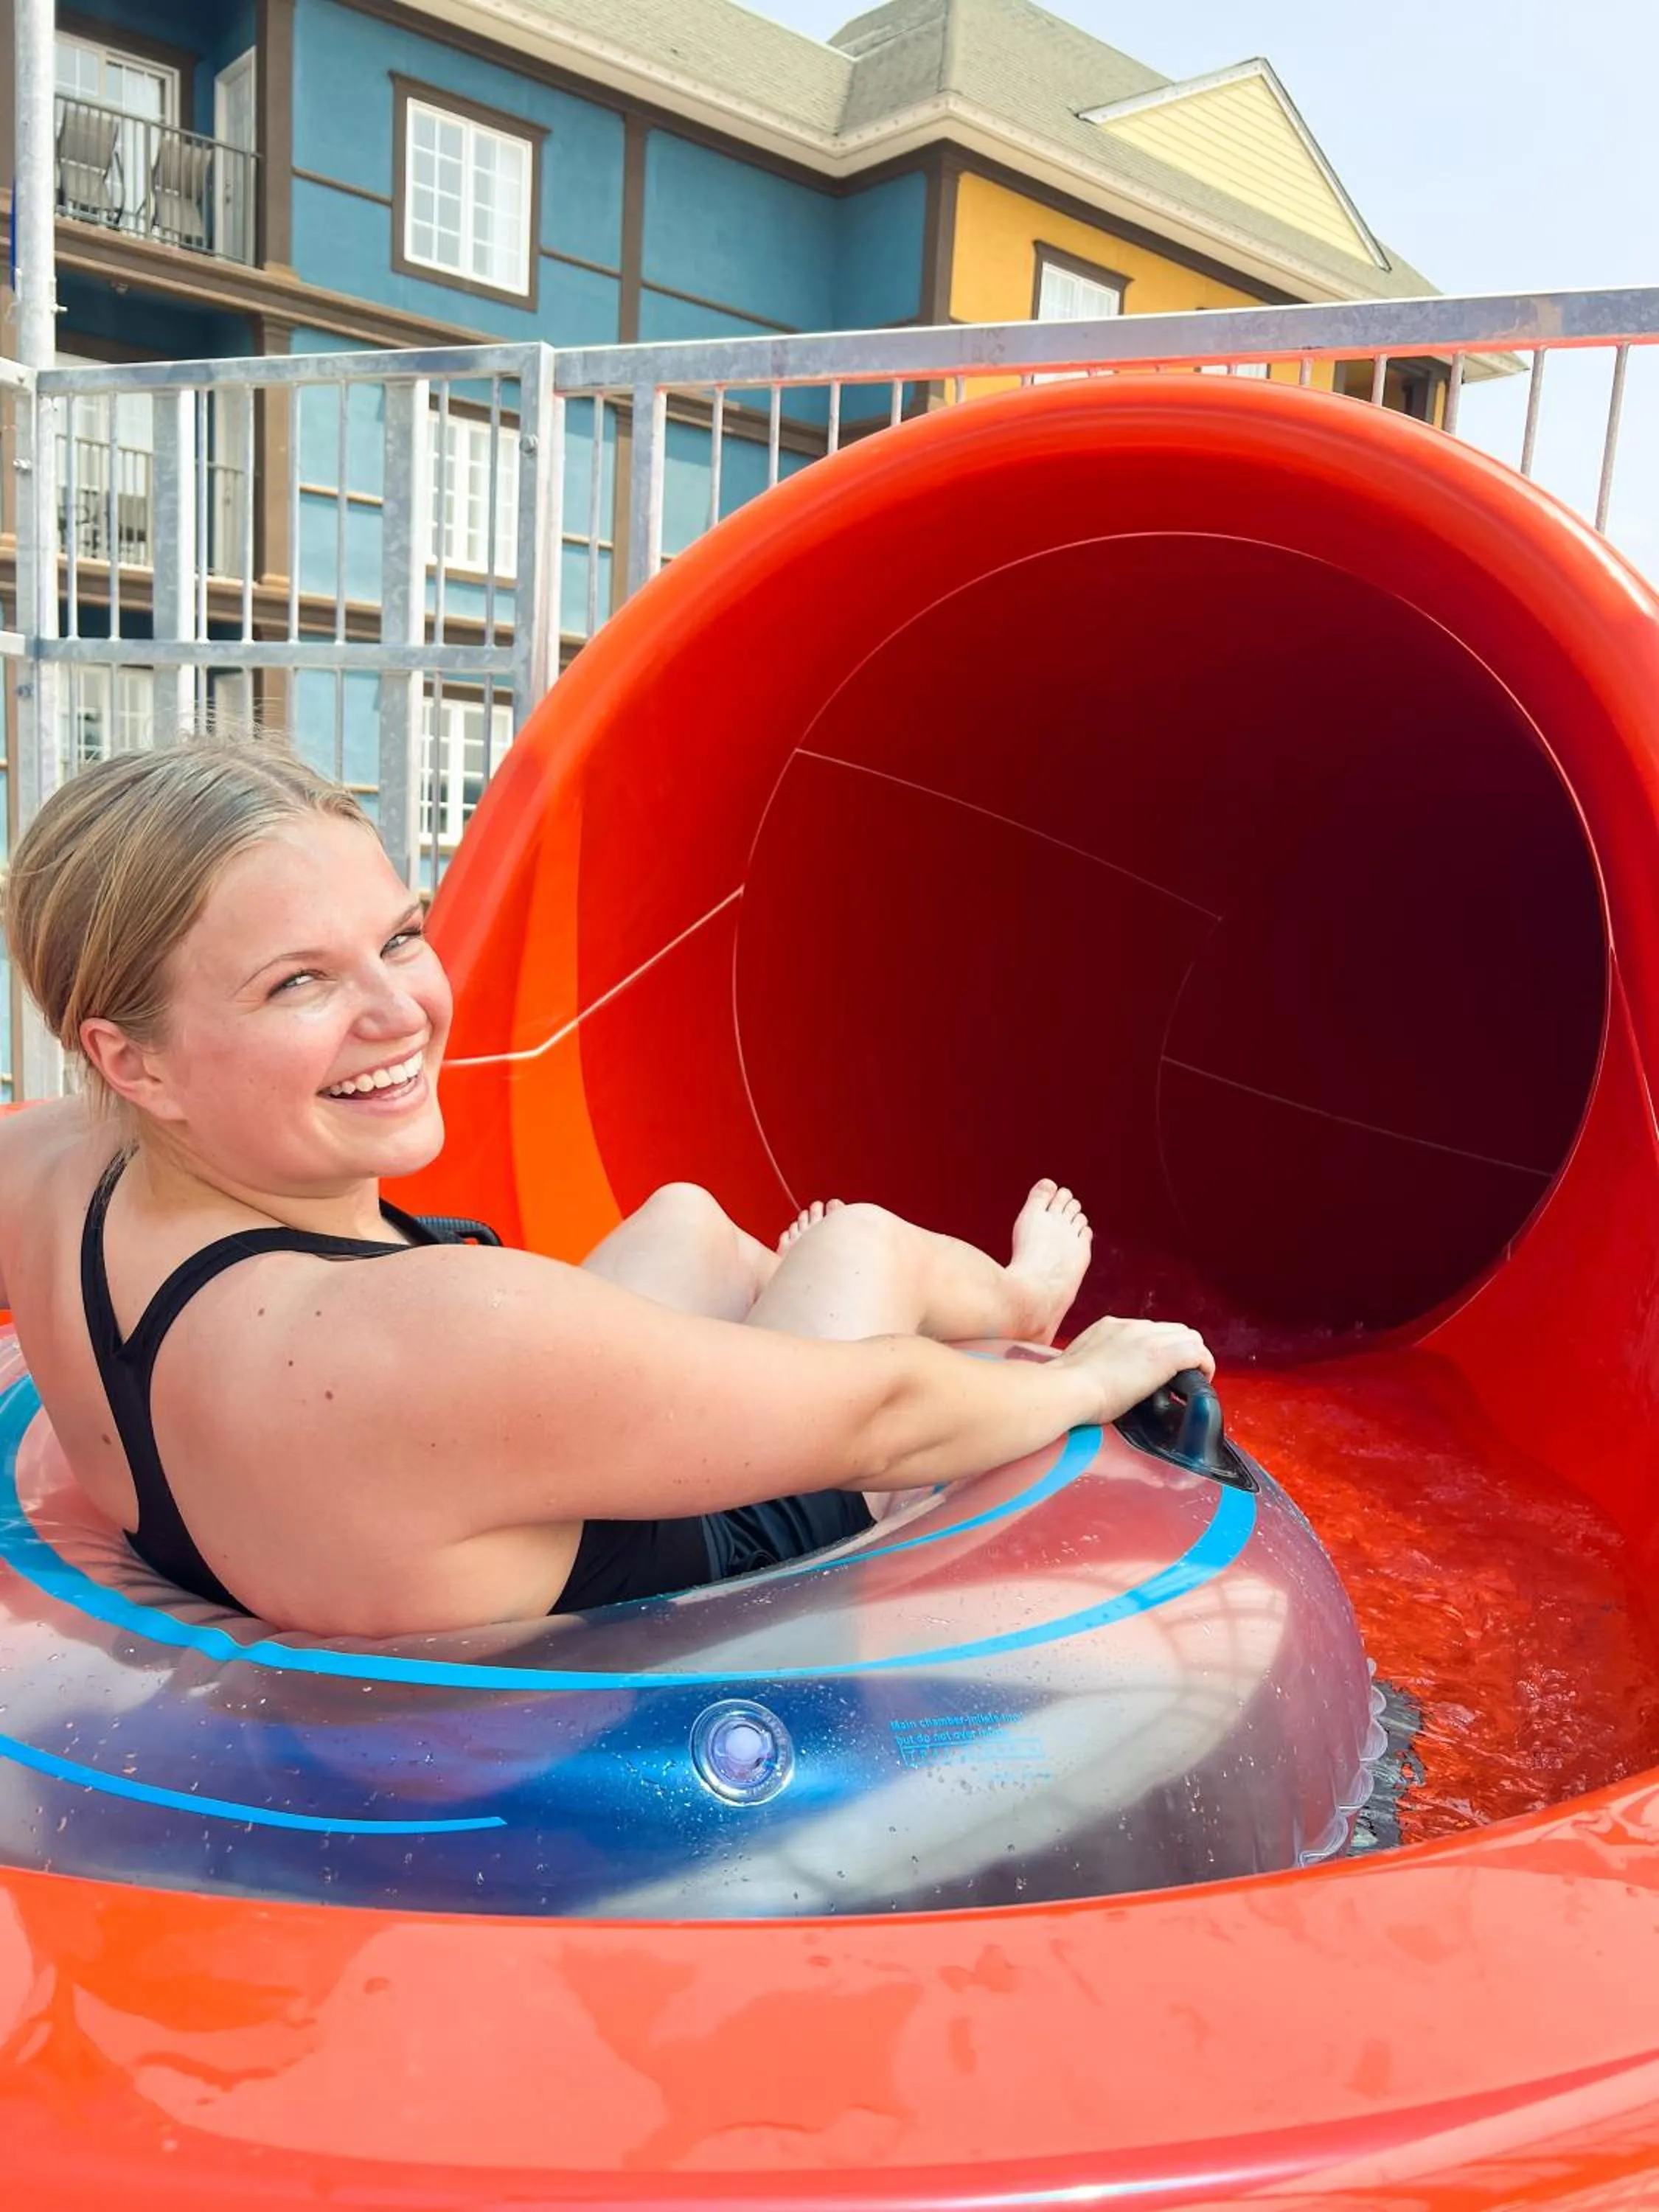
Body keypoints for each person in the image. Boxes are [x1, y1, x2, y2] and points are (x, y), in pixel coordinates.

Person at [0, 737, 1213, 1638]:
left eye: (402, 937)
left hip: (328, 1498)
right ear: (133, 1059)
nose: (399, 1012)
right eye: (295, 985)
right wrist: (1094, 1381)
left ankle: (778, 1296)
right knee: (860, 1251)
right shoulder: (413, 1335)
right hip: (700, 1560)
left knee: (688, 1220)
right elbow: (883, 1415)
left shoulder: (43, 1163)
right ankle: (1016, 1303)